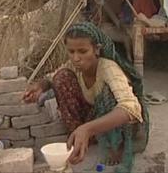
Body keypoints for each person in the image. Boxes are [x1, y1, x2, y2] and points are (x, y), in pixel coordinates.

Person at [23, 22, 149, 173]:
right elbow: (52, 77)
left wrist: (87, 128)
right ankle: (79, 137)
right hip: (93, 120)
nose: (76, 58)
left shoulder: (108, 68)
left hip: (117, 126)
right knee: (62, 77)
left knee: (108, 93)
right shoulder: (74, 65)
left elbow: (131, 108)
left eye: (83, 51)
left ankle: (115, 145)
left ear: (96, 50)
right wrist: (40, 86)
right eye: (71, 51)